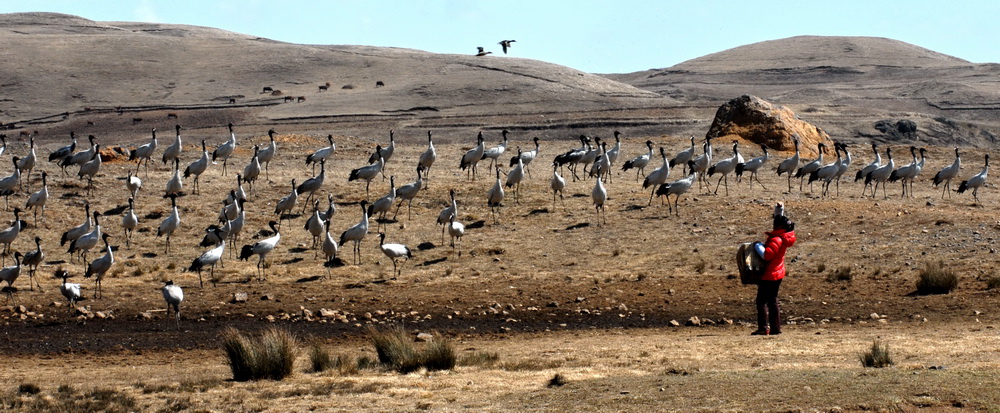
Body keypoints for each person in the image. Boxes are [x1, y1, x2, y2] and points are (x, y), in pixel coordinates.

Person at [751, 202, 796, 335]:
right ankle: (775, 328)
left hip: (770, 274)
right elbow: (779, 219)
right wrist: (779, 209)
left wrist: (757, 245)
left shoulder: (776, 239)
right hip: (778, 273)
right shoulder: (784, 236)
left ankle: (763, 328)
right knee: (772, 300)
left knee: (761, 301)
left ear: (778, 226)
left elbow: (767, 255)